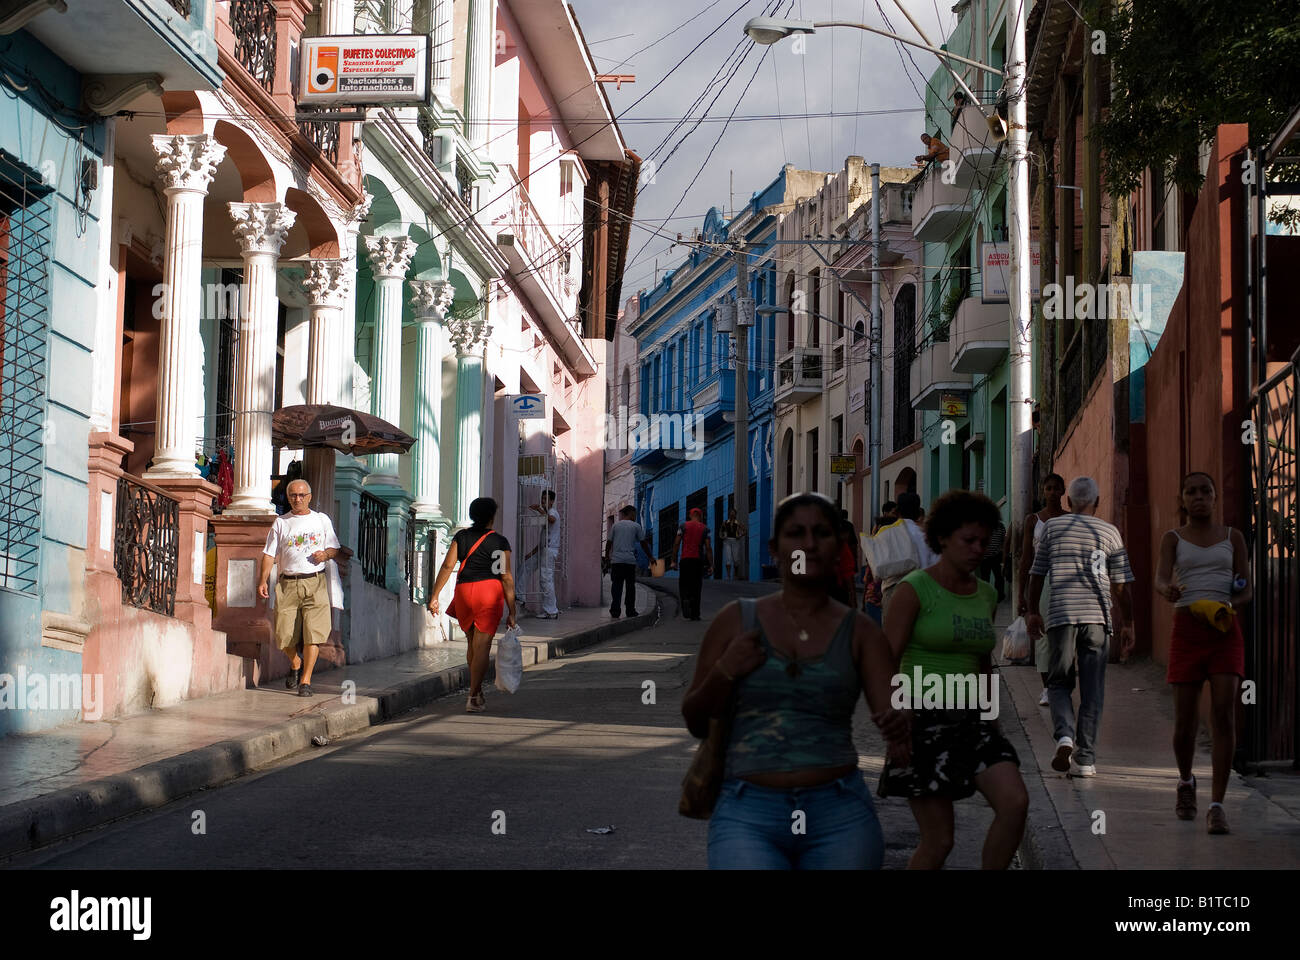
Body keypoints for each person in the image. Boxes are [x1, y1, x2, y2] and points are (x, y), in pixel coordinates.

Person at [681, 493, 907, 870]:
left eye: (821, 533)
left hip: (839, 814)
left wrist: (899, 725)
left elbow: (891, 710)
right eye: (795, 533)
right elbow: (694, 720)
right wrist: (725, 671)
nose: (809, 544)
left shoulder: (860, 633)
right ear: (774, 550)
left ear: (839, 548)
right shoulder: (735, 621)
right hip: (748, 813)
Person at [878, 489, 1028, 869]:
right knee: (939, 841)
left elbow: (983, 660)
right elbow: (885, 662)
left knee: (1015, 803)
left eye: (984, 540)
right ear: (942, 538)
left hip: (972, 723)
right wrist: (895, 727)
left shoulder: (987, 594)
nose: (978, 549)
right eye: (968, 541)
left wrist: (992, 718)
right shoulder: (914, 590)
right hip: (920, 723)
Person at [1154, 471, 1252, 835]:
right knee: (1186, 723)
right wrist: (1168, 591)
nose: (1199, 497)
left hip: (1224, 630)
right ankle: (1184, 782)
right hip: (1187, 630)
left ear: (1214, 498)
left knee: (1225, 714)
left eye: (1205, 491)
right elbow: (1160, 577)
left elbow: (1246, 588)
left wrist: (1230, 604)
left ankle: (1217, 805)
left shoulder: (1233, 538)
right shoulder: (1173, 539)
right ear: (1182, 499)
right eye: (1191, 492)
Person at [1025, 476, 1136, 777]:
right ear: (1097, 503)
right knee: (1093, 689)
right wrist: (1128, 623)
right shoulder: (1110, 532)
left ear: (1069, 502)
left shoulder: (1052, 528)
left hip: (1061, 615)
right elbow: (1122, 586)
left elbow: (1036, 574)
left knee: (1059, 682)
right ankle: (1085, 760)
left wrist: (1032, 611)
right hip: (1098, 619)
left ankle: (1064, 736)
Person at [429, 497, 516, 713]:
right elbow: (505, 577)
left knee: (472, 645)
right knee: (483, 647)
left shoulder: (462, 536)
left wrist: (435, 595)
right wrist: (512, 611)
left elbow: (448, 565)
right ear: (491, 516)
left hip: (464, 591)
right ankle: (473, 696)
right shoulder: (500, 542)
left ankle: (476, 691)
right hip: (489, 592)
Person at [258, 479, 341, 698]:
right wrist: (263, 580)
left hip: (315, 582)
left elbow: (334, 548)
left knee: (313, 634)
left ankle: (305, 681)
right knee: (283, 634)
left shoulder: (321, 520)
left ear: (310, 497)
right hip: (288, 583)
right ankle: (295, 662)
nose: (298, 499)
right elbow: (268, 554)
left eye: (302, 495)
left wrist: (325, 554)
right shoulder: (281, 523)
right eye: (293, 495)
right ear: (288, 497)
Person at [1018, 473, 1067, 705]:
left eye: (1057, 488)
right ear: (1042, 491)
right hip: (1042, 582)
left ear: (1063, 491)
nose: (1053, 492)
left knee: (1066, 636)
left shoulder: (1071, 519)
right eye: (1048, 488)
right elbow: (1026, 559)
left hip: (1068, 584)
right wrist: (1021, 595)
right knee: (1044, 636)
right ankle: (1048, 688)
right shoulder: (1033, 521)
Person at [879, 492, 939, 614]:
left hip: (893, 591)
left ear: (898, 511)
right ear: (918, 512)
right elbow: (936, 564)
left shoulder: (887, 533)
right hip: (923, 591)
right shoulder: (925, 536)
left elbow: (878, 566)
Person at [606, 505, 653, 619]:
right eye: (635, 514)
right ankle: (630, 610)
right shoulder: (636, 526)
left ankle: (615, 610)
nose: (635, 516)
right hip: (630, 562)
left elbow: (609, 542)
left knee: (616, 586)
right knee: (630, 587)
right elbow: (643, 543)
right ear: (630, 513)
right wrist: (650, 557)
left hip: (616, 561)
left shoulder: (616, 526)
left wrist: (607, 556)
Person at [671, 508, 713, 620]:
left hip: (685, 560)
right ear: (701, 516)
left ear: (690, 515)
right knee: (696, 586)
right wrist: (711, 565)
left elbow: (676, 543)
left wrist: (673, 561)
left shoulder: (683, 526)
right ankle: (695, 614)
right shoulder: (706, 529)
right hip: (698, 561)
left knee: (684, 583)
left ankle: (685, 597)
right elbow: (708, 548)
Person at [527, 490, 561, 619]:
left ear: (552, 501)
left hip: (549, 550)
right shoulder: (547, 513)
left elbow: (551, 520)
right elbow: (543, 539)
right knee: (545, 580)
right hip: (545, 550)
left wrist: (539, 510)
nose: (543, 501)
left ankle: (551, 611)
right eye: (542, 499)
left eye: (546, 499)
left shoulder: (552, 512)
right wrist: (531, 553)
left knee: (546, 579)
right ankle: (549, 610)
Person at [980, 517, 1008, 602]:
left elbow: (1004, 541)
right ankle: (986, 596)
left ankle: (999, 596)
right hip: (985, 558)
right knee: (985, 578)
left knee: (998, 577)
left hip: (996, 556)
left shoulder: (1001, 527)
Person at [720, 509, 745, 579]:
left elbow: (745, 531)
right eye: (731, 513)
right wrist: (722, 536)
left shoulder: (738, 523)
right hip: (727, 541)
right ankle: (728, 575)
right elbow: (720, 531)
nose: (732, 514)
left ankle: (735, 574)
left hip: (735, 541)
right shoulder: (725, 523)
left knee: (736, 559)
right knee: (728, 558)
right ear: (729, 514)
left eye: (733, 513)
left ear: (735, 515)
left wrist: (740, 535)